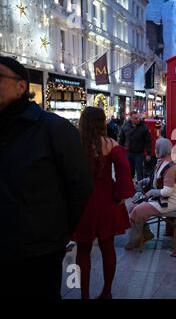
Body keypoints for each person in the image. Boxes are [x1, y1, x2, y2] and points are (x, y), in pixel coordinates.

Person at [0, 56, 93, 299]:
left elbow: (81, 185)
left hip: (38, 249)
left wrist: (58, 231)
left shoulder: (54, 129)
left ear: (21, 86)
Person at [72, 106, 135, 299]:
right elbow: (125, 171)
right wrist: (121, 195)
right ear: (102, 122)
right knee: (108, 247)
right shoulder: (111, 144)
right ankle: (106, 292)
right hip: (107, 201)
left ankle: (84, 295)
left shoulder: (75, 144)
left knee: (83, 250)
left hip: (82, 203)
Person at [125, 138, 176, 250]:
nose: (154, 150)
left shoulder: (170, 167)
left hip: (169, 201)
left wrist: (151, 192)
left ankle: (135, 240)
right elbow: (155, 179)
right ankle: (146, 234)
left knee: (137, 210)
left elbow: (167, 191)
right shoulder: (162, 162)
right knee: (132, 207)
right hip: (161, 199)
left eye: (156, 147)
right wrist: (141, 182)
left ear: (162, 149)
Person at [119, 111, 152, 181]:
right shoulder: (125, 126)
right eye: (135, 118)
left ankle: (140, 188)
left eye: (138, 118)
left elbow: (148, 141)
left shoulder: (144, 127)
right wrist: (120, 151)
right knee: (128, 172)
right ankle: (129, 187)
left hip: (139, 153)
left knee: (139, 172)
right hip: (128, 152)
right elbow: (121, 139)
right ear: (131, 118)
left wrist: (148, 153)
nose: (138, 120)